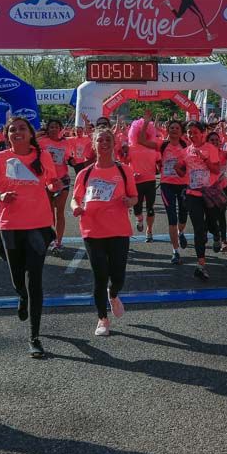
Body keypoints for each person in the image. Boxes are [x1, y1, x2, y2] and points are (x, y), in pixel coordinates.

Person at [0, 117, 62, 358]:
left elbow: (52, 184)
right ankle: (21, 295)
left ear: (30, 133)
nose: (17, 132)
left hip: (38, 225)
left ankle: (34, 337)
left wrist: (55, 186)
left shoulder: (43, 156)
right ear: (7, 135)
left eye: (21, 129)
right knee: (18, 279)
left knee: (35, 279)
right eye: (12, 129)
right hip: (10, 226)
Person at [72, 128, 138, 337]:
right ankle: (102, 319)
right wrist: (75, 207)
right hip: (92, 229)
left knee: (117, 275)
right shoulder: (86, 173)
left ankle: (114, 293)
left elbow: (134, 196)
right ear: (94, 144)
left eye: (108, 140)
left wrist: (130, 201)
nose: (104, 143)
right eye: (100, 140)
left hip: (118, 229)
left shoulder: (124, 170)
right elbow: (75, 198)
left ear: (114, 143)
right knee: (100, 276)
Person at [175, 121, 221, 281]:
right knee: (198, 229)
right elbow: (181, 172)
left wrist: (205, 159)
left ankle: (216, 235)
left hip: (210, 193)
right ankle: (201, 264)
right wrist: (177, 168)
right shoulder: (185, 151)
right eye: (189, 132)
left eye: (195, 132)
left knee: (211, 223)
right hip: (192, 193)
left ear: (202, 133)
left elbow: (216, 169)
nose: (192, 135)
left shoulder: (211, 148)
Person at [38, 119, 73, 254]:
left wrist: (71, 160)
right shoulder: (42, 142)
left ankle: (58, 241)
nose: (53, 129)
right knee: (49, 211)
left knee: (60, 211)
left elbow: (68, 157)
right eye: (51, 127)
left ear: (60, 129)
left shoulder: (66, 143)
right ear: (48, 129)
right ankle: (51, 238)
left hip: (62, 179)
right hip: (46, 181)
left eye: (56, 127)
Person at [159, 120, 190, 264]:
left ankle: (181, 232)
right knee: (172, 217)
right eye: (171, 128)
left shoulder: (186, 145)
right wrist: (146, 123)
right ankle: (175, 251)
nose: (174, 130)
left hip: (183, 184)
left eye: (177, 128)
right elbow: (142, 142)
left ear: (181, 131)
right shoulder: (163, 145)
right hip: (167, 185)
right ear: (167, 130)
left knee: (183, 215)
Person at [127, 122, 160, 243]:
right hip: (136, 182)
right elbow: (125, 164)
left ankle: (149, 231)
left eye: (146, 132)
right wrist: (131, 174)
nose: (143, 134)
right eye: (140, 132)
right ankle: (139, 219)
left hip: (150, 181)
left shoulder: (153, 147)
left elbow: (160, 162)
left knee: (150, 208)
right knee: (137, 208)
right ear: (135, 133)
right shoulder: (131, 148)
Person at [207, 130, 227, 253]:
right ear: (207, 142)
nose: (215, 142)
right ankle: (216, 234)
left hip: (222, 188)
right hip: (208, 189)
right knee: (210, 216)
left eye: (217, 140)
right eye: (212, 140)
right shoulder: (204, 154)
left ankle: (224, 241)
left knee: (221, 215)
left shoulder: (224, 153)